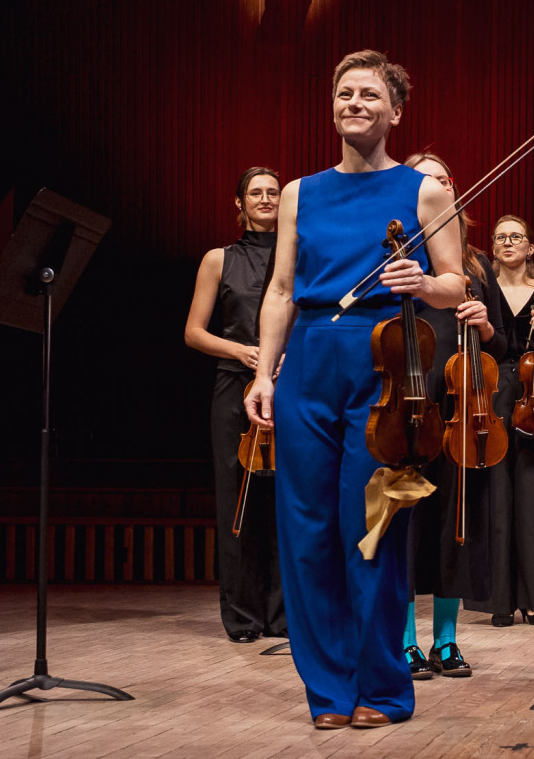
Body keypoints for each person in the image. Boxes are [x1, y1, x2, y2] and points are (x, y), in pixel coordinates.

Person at [244, 51, 466, 729]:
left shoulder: (425, 191)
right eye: (345, 93)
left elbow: (456, 283)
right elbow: (281, 290)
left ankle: (384, 688)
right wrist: (263, 373)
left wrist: (422, 283)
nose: (355, 103)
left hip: (383, 363)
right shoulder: (299, 193)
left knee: (372, 529)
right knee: (305, 531)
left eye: (370, 94)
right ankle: (329, 692)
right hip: (310, 359)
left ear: (395, 111)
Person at [401, 150, 506, 681]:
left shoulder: (476, 265)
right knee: (403, 527)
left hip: (461, 412)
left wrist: (485, 326)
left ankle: (445, 640)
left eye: (443, 178)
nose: (436, 187)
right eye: (423, 180)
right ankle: (403, 641)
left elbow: (504, 347)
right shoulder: (395, 258)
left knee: (454, 529)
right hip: (405, 409)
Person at [183, 166, 285, 643]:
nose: (265, 199)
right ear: (239, 204)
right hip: (234, 387)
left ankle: (283, 615)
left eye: (273, 193)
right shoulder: (217, 259)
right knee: (238, 501)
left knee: (285, 501)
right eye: (256, 193)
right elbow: (194, 332)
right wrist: (242, 351)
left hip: (287, 385)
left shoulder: (298, 257)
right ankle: (243, 616)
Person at [466, 214, 534, 627]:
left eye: (516, 237)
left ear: (531, 248)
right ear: (492, 248)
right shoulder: (479, 290)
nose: (507, 242)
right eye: (500, 237)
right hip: (492, 391)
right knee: (493, 497)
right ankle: (498, 599)